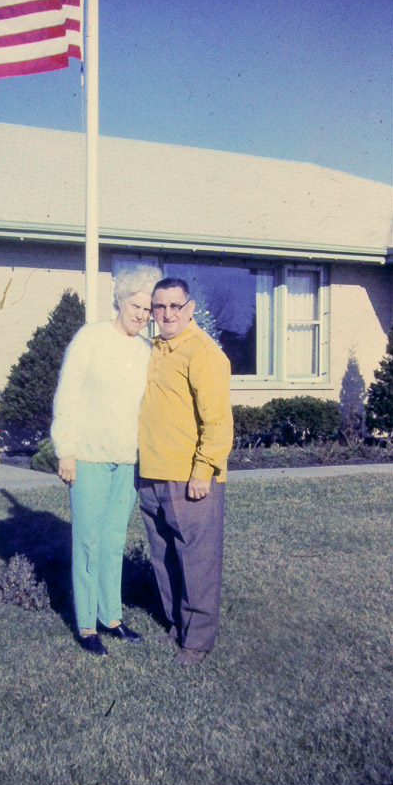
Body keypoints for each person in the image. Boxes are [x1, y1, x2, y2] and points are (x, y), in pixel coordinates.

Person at [51, 265, 162, 656]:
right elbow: (67, 394)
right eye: (136, 306)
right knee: (87, 540)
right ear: (120, 301)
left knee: (114, 540)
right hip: (89, 456)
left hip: (127, 460)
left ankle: (111, 617)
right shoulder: (90, 338)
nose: (141, 315)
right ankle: (86, 625)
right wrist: (65, 449)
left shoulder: (146, 351)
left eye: (147, 310)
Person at [138, 277, 234, 665]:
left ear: (190, 308)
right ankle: (177, 627)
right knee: (164, 558)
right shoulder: (154, 349)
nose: (167, 314)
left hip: (188, 476)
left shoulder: (203, 352)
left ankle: (198, 642)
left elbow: (218, 421)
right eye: (159, 307)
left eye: (175, 306)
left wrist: (203, 470)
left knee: (197, 562)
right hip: (151, 473)